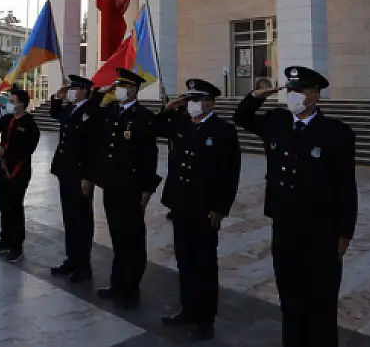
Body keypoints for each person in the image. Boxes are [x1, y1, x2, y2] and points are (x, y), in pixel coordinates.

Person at [232, 66, 358, 347]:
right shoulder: (276, 122)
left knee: (321, 301)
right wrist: (255, 95)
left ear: (316, 96)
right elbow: (241, 117)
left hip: (321, 231)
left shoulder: (336, 133)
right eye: (289, 90)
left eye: (299, 91)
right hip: (285, 226)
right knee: (290, 296)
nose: (293, 96)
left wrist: (344, 233)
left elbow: (345, 187)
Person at [156, 79, 241, 341]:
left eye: (198, 99)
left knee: (204, 264)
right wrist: (168, 109)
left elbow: (230, 173)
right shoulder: (181, 123)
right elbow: (154, 129)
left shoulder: (223, 130)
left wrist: (220, 208)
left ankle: (206, 318)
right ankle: (187, 309)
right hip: (181, 204)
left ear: (211, 102)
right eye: (190, 99)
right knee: (184, 260)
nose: (192, 104)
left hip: (206, 209)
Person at [86, 68, 160, 310]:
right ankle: (117, 283)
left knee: (132, 239)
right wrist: (100, 93)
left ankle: (131, 288)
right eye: (117, 85)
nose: (118, 89)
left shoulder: (144, 116)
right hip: (112, 185)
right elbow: (91, 112)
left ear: (135, 89)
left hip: (132, 186)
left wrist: (147, 189)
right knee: (117, 236)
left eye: (123, 85)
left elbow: (150, 156)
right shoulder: (111, 111)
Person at [47, 74, 101, 283]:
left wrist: (88, 176)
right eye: (70, 88)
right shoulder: (70, 109)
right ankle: (72, 259)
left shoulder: (91, 112)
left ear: (85, 90)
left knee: (82, 220)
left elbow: (93, 148)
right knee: (69, 218)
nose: (71, 91)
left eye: (75, 88)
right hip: (65, 171)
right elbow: (55, 114)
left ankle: (83, 265)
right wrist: (57, 97)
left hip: (80, 175)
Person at [0, 86, 40, 263]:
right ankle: (5, 240)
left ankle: (17, 245)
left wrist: (5, 153)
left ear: (21, 104)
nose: (9, 104)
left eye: (12, 101)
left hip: (18, 172)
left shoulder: (30, 125)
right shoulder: (8, 119)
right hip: (2, 169)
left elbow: (26, 150)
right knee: (3, 206)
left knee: (14, 207)